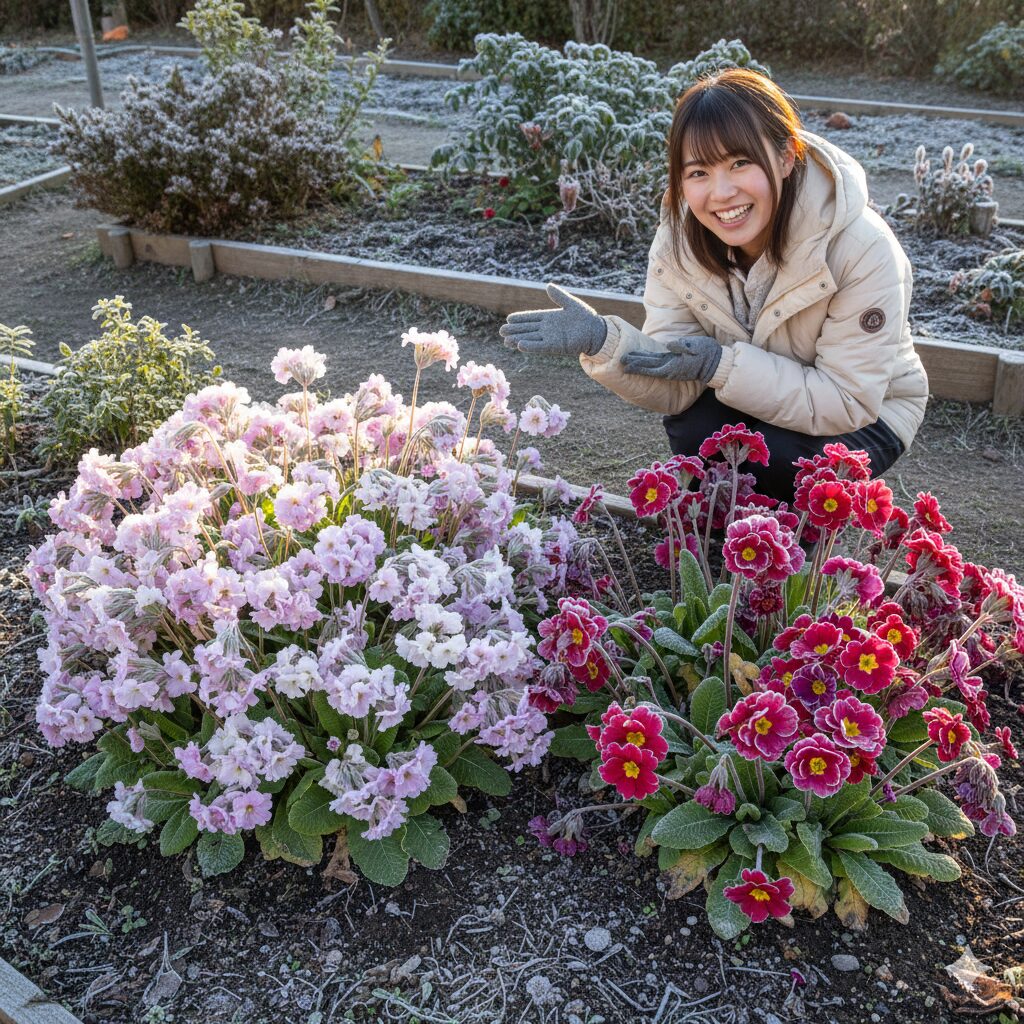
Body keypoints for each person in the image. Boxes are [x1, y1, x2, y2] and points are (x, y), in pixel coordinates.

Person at [500, 68, 929, 500]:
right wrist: (603, 341)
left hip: (869, 412)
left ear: (785, 156)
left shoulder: (861, 248)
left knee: (780, 460)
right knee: (694, 425)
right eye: (699, 172)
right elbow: (674, 374)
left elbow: (847, 398)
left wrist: (719, 366)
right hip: (756, 392)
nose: (721, 193)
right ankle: (718, 532)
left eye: (740, 163)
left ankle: (791, 550)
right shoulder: (678, 240)